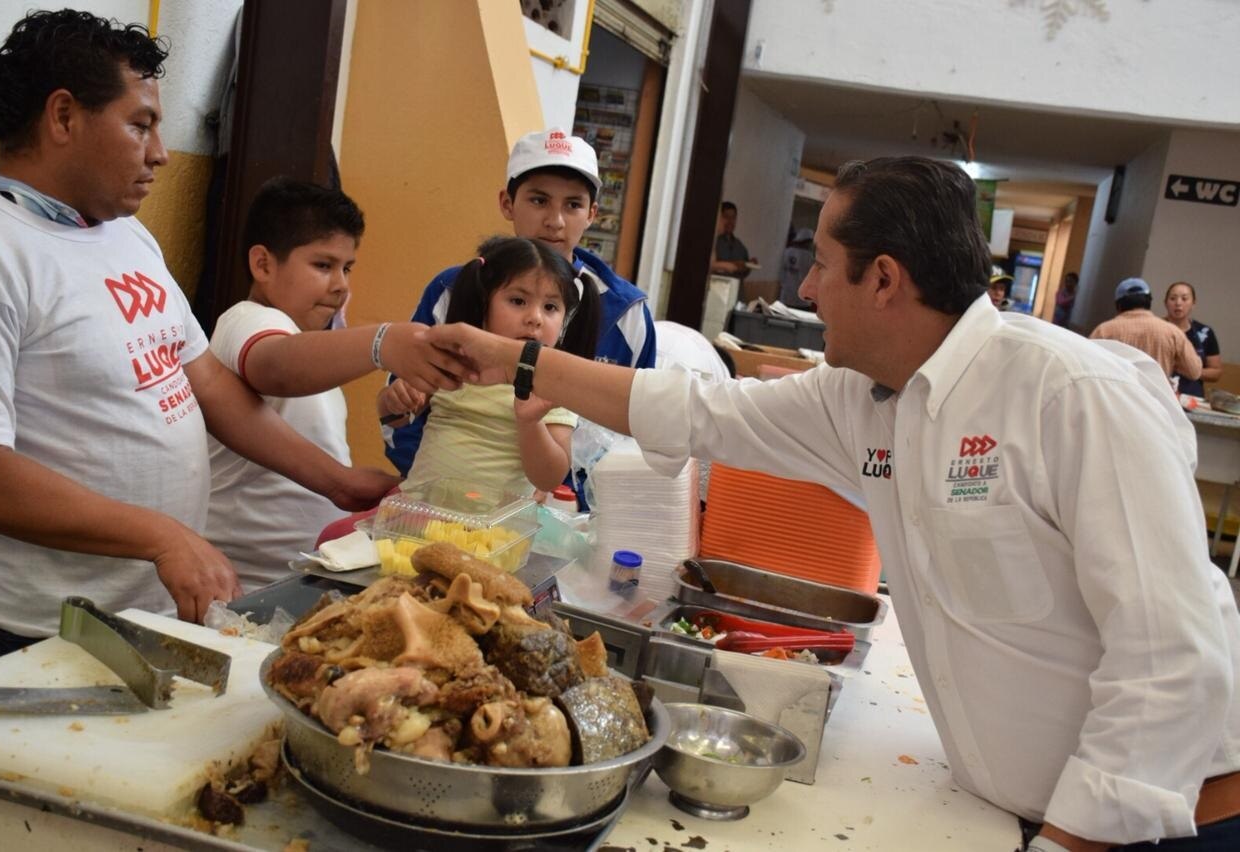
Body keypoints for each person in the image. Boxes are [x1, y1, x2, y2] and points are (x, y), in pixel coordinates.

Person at [430, 156, 1240, 851]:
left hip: (1160, 824)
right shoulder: (859, 399)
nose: (807, 287)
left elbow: (1169, 657)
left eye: (820, 263)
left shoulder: (1073, 395)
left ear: (883, 278)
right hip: (1013, 817)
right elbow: (694, 410)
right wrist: (516, 360)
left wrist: (1069, 840)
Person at [0, 10, 464, 662]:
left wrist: (335, 481)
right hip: (34, 628)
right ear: (63, 118)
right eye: (139, 125)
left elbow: (208, 385)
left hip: (148, 608)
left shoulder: (123, 236)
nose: (161, 152)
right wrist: (160, 535)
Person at [205, 177, 456, 592]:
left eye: (347, 267)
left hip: (310, 574)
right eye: (323, 266)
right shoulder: (248, 320)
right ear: (263, 264)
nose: (341, 284)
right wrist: (383, 343)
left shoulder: (310, 348)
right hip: (249, 585)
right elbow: (275, 367)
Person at [379, 128, 655, 480]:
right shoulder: (453, 287)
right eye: (539, 200)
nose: (555, 221)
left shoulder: (628, 314)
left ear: (592, 214)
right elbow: (403, 403)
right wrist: (438, 481)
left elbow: (636, 430)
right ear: (507, 204)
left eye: (573, 205)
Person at [379, 236, 598, 496]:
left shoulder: (552, 385)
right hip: (421, 517)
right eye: (518, 301)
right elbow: (396, 421)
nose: (535, 318)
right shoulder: (454, 362)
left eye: (550, 307)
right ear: (484, 304)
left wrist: (530, 423)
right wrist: (393, 401)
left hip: (497, 533)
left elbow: (549, 478)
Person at [1090, 277, 1202, 384]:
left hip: (1114, 400)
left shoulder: (1104, 331)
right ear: (1149, 301)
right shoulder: (1173, 332)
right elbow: (1194, 372)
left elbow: (1086, 365)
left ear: (1118, 305)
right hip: (1154, 401)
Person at [1164, 280, 1222, 398]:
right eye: (1173, 298)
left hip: (1192, 399)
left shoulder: (1205, 333)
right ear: (1165, 302)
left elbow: (1216, 372)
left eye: (1184, 299)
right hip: (1159, 396)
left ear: (1193, 303)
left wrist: (1191, 369)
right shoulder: (1155, 328)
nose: (1178, 303)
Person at [710, 200, 756, 279]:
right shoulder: (713, 242)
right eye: (726, 217)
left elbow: (744, 272)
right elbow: (710, 266)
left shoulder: (739, 245)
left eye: (733, 218)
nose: (730, 221)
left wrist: (750, 264)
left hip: (736, 289)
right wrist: (733, 265)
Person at [778, 227, 815, 307]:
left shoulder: (786, 252)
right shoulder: (809, 257)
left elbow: (781, 273)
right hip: (801, 300)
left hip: (785, 295)